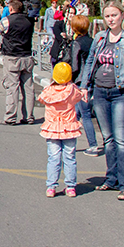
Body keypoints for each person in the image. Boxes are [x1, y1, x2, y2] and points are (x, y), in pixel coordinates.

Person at [81, 1, 124, 201]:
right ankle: (111, 179)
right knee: (108, 139)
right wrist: (85, 86)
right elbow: (91, 61)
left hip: (122, 93)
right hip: (101, 92)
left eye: (114, 15)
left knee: (122, 139)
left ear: (122, 15)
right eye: (107, 16)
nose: (110, 19)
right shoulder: (100, 38)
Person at [39, 62, 86, 198]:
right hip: (69, 128)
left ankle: (51, 186)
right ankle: (70, 186)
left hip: (52, 128)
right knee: (70, 158)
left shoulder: (48, 91)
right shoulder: (72, 91)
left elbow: (42, 99)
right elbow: (79, 96)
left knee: (53, 158)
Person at [0, 0, 36, 125]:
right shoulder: (29, 20)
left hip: (12, 57)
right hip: (27, 57)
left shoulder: (7, 21)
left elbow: (0, 30)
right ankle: (29, 116)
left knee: (12, 87)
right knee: (28, 88)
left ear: (12, 8)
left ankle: (10, 117)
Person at [67, 15, 100, 156]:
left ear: (74, 28)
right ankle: (69, 142)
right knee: (76, 113)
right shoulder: (93, 42)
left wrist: (69, 79)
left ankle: (93, 145)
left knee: (84, 114)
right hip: (93, 80)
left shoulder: (77, 43)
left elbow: (74, 65)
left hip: (81, 82)